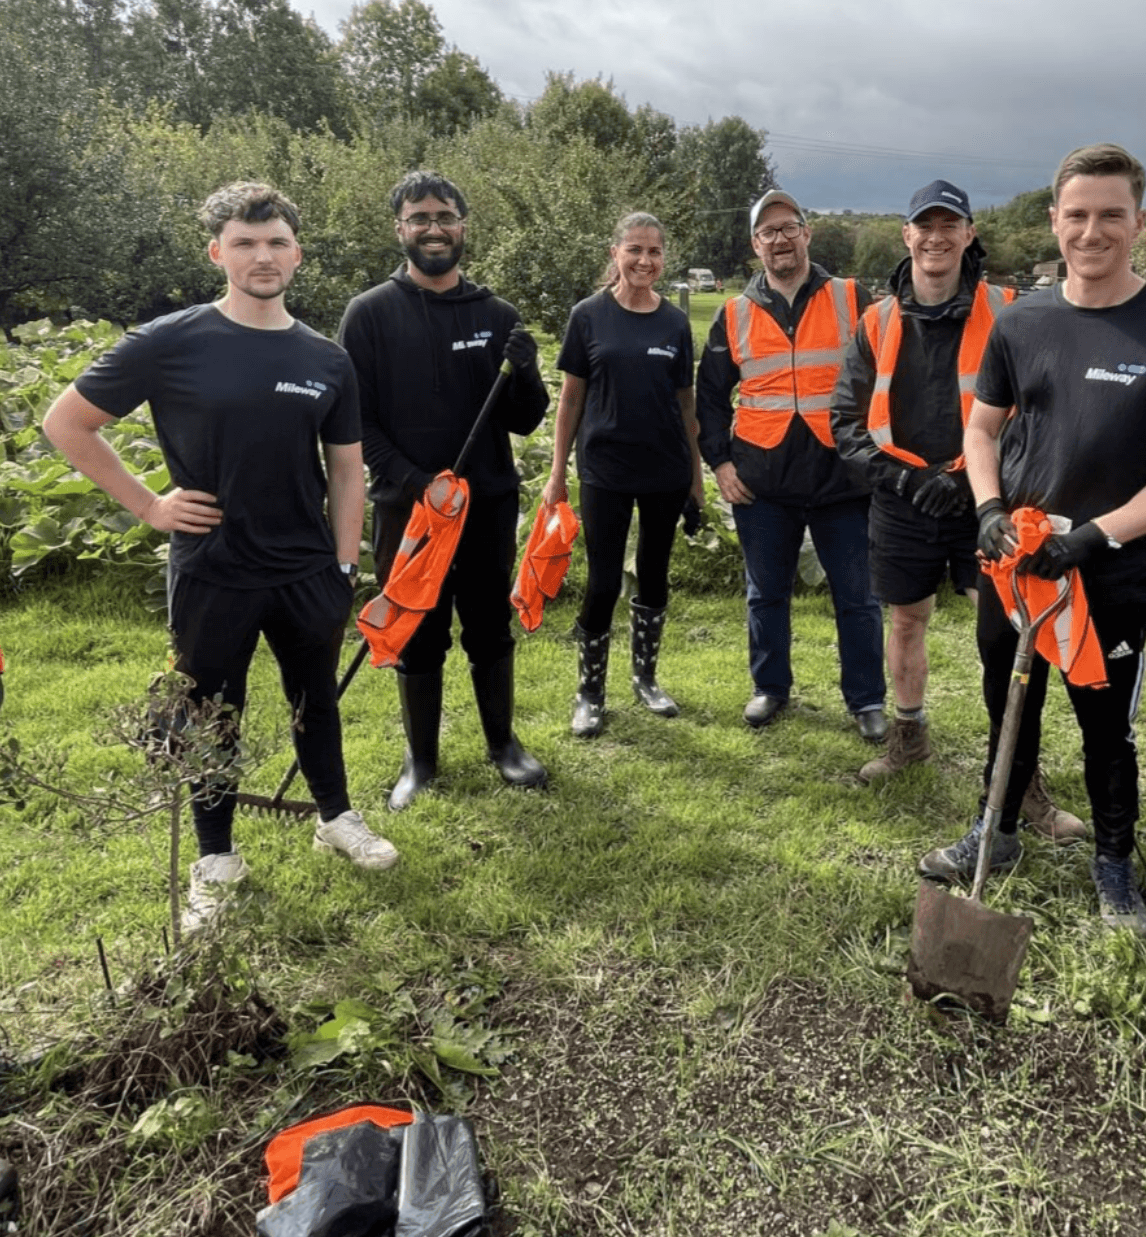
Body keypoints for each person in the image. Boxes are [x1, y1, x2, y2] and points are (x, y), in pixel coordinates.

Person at [43, 181, 397, 933]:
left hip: (306, 567)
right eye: (244, 242)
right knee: (210, 713)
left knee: (317, 697)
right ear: (217, 252)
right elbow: (67, 423)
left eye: (275, 243)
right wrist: (149, 506)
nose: (261, 255)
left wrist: (342, 564)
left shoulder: (324, 358)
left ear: (297, 254)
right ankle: (215, 861)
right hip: (214, 567)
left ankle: (335, 815)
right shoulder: (170, 341)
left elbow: (344, 468)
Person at [916, 144, 1146, 934]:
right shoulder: (1021, 321)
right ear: (1053, 221)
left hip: (1108, 572)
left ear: (1138, 222)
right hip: (1016, 565)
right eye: (1077, 214)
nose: (1092, 231)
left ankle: (1113, 863)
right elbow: (981, 429)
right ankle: (999, 830)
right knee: (1007, 708)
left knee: (1103, 724)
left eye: (1110, 214)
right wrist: (987, 510)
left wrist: (1092, 538)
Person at [830, 178, 1085, 843]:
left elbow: (1048, 411)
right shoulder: (876, 320)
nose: (936, 236)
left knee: (1009, 633)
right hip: (903, 499)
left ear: (969, 234)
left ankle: (1019, 778)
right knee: (906, 620)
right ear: (906, 234)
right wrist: (906, 481)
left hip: (991, 504)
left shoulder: (1011, 312)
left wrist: (989, 488)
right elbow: (844, 420)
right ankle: (907, 737)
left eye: (951, 225)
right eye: (925, 225)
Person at [336, 171, 550, 811]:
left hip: (486, 504)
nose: (434, 228)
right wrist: (414, 481)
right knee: (418, 633)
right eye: (420, 217)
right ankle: (421, 760)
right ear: (400, 228)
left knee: (489, 626)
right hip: (410, 510)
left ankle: (503, 745)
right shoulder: (369, 314)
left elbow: (524, 418)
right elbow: (357, 424)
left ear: (463, 226)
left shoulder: (496, 315)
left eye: (446, 216)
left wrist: (528, 368)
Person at [696, 189, 886, 737]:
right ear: (755, 245)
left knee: (858, 597)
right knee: (766, 592)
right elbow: (709, 396)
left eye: (788, 227)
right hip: (761, 482)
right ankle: (770, 687)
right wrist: (720, 465)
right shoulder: (733, 313)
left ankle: (866, 700)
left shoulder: (854, 297)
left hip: (844, 478)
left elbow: (887, 375)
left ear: (807, 233)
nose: (779, 239)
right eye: (767, 232)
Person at [542, 211, 705, 736]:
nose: (645, 260)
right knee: (603, 582)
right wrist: (556, 473)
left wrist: (696, 479)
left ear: (664, 258)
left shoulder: (675, 323)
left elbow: (687, 407)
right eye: (634, 249)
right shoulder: (588, 316)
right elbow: (570, 399)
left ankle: (646, 679)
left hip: (665, 470)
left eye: (654, 252)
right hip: (605, 469)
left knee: (654, 575)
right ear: (615, 252)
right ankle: (589, 692)